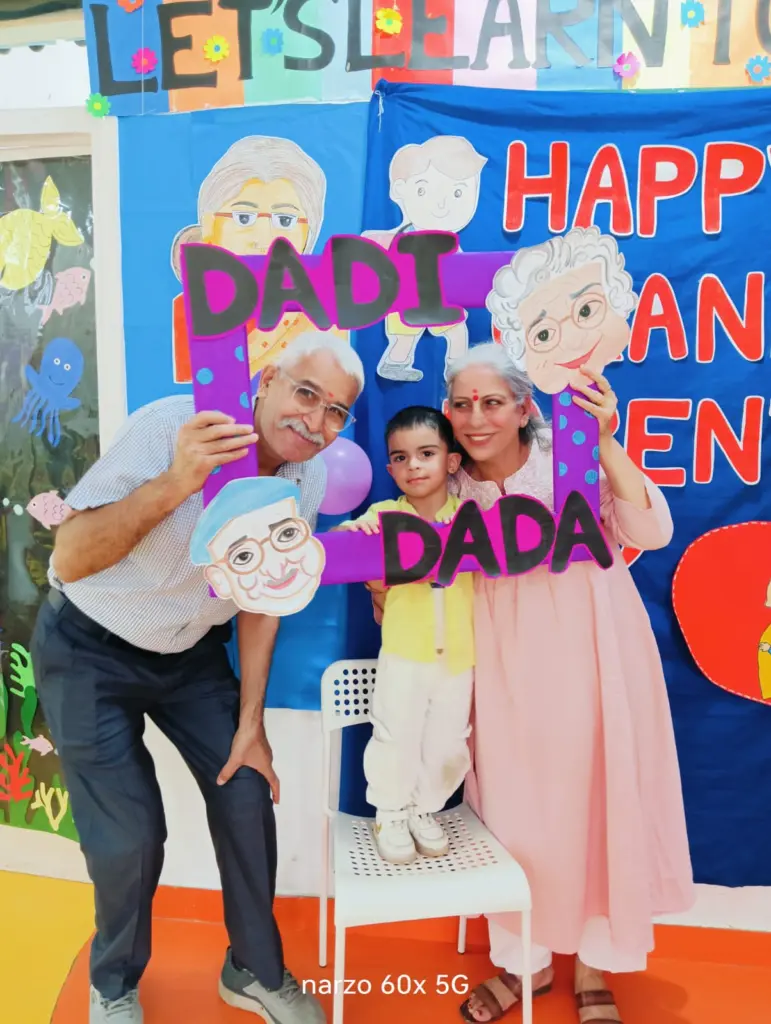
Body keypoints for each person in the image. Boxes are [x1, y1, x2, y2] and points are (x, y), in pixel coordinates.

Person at [30, 332, 364, 1024]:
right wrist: (177, 480)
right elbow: (71, 553)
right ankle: (113, 984)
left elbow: (261, 600)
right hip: (89, 644)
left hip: (188, 655)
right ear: (267, 380)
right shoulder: (169, 427)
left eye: (336, 411)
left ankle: (252, 969)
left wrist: (251, 726)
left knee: (245, 788)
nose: (315, 420)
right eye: (306, 393)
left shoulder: (309, 478)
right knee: (130, 837)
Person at [443, 344, 694, 1024]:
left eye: (492, 402)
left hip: (596, 653)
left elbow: (652, 526)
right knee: (512, 815)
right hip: (502, 663)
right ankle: (519, 965)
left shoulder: (571, 465)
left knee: (598, 806)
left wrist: (609, 442)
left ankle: (594, 965)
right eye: (461, 403)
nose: (476, 417)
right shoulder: (444, 487)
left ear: (524, 408)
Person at [339, 406, 474, 864]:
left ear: (451, 462)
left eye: (426, 453)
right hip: (403, 652)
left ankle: (425, 808)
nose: (413, 465)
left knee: (448, 741)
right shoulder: (382, 516)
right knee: (396, 733)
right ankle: (390, 812)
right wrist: (353, 531)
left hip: (459, 655)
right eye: (400, 457)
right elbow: (348, 543)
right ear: (389, 467)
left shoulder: (472, 518)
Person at [170, 136, 348, 385]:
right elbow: (189, 397)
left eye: (284, 221)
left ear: (310, 230)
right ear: (211, 224)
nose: (264, 238)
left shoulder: (321, 313)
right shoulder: (193, 308)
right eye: (244, 218)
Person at [363, 136, 487, 383]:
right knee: (417, 335)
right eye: (423, 190)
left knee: (450, 333)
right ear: (400, 191)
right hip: (412, 300)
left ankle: (449, 367)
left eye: (458, 192)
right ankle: (402, 363)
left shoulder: (446, 242)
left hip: (432, 301)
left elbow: (461, 268)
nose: (441, 204)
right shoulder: (400, 238)